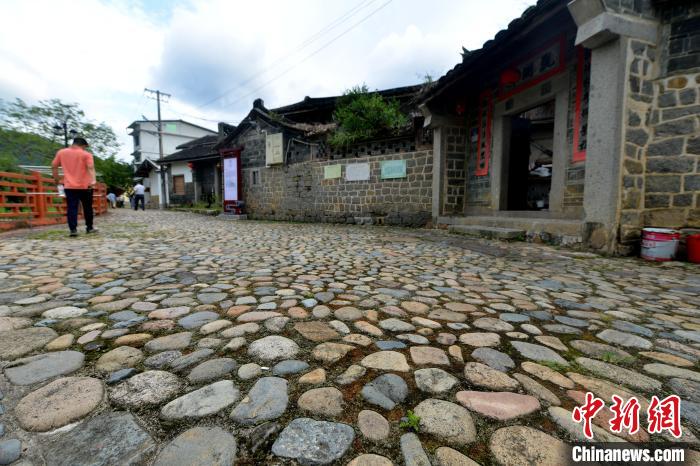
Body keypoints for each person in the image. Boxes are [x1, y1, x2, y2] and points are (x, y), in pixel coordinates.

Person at [52, 137, 97, 237]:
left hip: (69, 186)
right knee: (87, 207)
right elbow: (90, 167)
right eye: (85, 147)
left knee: (72, 208)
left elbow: (54, 166)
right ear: (83, 145)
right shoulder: (87, 154)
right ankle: (89, 228)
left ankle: (73, 230)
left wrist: (57, 179)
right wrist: (93, 180)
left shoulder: (61, 152)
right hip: (86, 186)